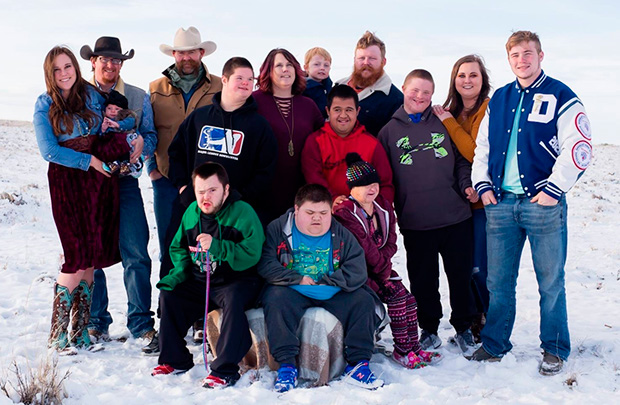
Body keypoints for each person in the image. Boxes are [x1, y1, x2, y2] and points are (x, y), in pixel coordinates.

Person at [468, 31, 593, 376]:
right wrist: (483, 186)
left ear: (541, 56)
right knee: (498, 281)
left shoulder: (562, 95)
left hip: (543, 204)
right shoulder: (500, 99)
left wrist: (554, 188)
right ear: (508, 60)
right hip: (501, 204)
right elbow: (483, 149)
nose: (521, 60)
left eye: (528, 53)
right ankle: (495, 343)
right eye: (515, 55)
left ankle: (554, 348)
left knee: (550, 280)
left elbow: (579, 147)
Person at [34, 46, 130, 353]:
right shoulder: (44, 104)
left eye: (67, 67)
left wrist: (125, 134)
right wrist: (87, 161)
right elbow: (49, 151)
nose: (64, 73)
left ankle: (80, 332)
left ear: (76, 68)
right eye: (57, 69)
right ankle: (58, 334)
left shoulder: (90, 96)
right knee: (75, 254)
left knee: (91, 256)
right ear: (50, 74)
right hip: (67, 179)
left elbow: (118, 118)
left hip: (97, 182)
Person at [378, 69, 478, 356]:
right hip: (416, 221)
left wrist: (465, 186)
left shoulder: (445, 123)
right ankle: (429, 329)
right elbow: (387, 178)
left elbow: (461, 161)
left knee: (460, 276)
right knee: (423, 279)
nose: (420, 96)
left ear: (432, 95)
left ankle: (463, 328)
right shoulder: (389, 132)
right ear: (404, 90)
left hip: (455, 216)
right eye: (415, 90)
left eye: (426, 92)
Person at [258, 184, 384, 392]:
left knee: (363, 301)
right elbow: (266, 263)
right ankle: (287, 366)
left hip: (331, 289)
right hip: (294, 290)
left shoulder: (341, 233)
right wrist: (296, 278)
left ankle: (358, 365)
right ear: (297, 210)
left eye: (323, 213)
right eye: (310, 213)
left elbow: (357, 267)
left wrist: (331, 280)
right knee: (274, 298)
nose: (317, 218)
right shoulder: (278, 229)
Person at [151, 162, 264, 389]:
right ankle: (175, 359)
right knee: (170, 294)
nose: (206, 197)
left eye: (212, 190)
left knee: (233, 301)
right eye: (201, 191)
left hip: (237, 280)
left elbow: (253, 253)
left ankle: (224, 370)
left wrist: (219, 247)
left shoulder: (243, 213)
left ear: (226, 190)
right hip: (200, 279)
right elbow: (178, 247)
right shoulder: (191, 213)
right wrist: (181, 272)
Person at [80, 36, 158, 344]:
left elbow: (151, 135)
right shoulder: (78, 96)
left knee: (136, 249)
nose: (110, 65)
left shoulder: (138, 97)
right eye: (105, 60)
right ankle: (97, 321)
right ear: (93, 62)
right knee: (93, 254)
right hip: (89, 184)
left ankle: (140, 324)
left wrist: (142, 143)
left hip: (126, 181)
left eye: (116, 60)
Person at [333, 153, 441, 369]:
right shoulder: (346, 213)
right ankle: (401, 351)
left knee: (409, 300)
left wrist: (384, 266)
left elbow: (391, 240)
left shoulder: (382, 205)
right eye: (364, 185)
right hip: (357, 272)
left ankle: (413, 347)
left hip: (381, 269)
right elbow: (363, 248)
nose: (371, 188)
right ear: (352, 189)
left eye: (374, 183)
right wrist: (383, 272)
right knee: (397, 299)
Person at [432, 55, 492, 341]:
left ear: (483, 80)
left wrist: (448, 122)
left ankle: (494, 323)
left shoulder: (488, 109)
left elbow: (472, 151)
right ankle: (475, 321)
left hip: (485, 203)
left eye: (473, 75)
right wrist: (465, 184)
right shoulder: (455, 110)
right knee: (464, 268)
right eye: (461, 75)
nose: (467, 80)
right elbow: (455, 159)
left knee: (481, 268)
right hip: (460, 202)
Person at [149, 26, 222, 258]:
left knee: (204, 248)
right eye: (181, 53)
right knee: (170, 247)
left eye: (191, 52)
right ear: (173, 55)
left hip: (208, 182)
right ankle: (168, 293)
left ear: (201, 53)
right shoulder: (155, 89)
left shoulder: (220, 87)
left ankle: (202, 294)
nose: (186, 57)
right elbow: (147, 130)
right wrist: (152, 169)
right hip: (167, 180)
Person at [253, 48, 324, 221]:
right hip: (262, 192)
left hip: (300, 192)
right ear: (268, 72)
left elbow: (323, 141)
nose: (285, 69)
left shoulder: (308, 105)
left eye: (289, 65)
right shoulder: (254, 102)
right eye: (279, 65)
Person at [301, 84, 394, 206]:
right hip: (326, 213)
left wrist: (374, 211)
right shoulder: (315, 142)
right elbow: (313, 179)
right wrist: (333, 199)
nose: (343, 115)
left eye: (349, 110)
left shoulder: (372, 144)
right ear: (328, 111)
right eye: (337, 110)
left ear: (358, 111)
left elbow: (386, 185)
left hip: (364, 215)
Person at [337, 31, 403, 136]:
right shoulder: (337, 88)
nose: (366, 62)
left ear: (383, 62)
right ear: (354, 60)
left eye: (372, 58)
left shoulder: (396, 100)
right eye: (361, 58)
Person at [101, 90, 143, 178]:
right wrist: (103, 129)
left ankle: (126, 163)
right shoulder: (104, 120)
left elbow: (129, 123)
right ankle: (113, 163)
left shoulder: (127, 118)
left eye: (116, 109)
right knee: (107, 148)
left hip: (123, 141)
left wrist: (117, 125)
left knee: (122, 145)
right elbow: (100, 135)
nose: (112, 111)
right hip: (111, 144)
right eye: (109, 108)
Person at [302, 47, 333, 119]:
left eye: (326, 65)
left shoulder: (329, 87)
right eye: (317, 64)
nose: (322, 68)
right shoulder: (303, 88)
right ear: (306, 68)